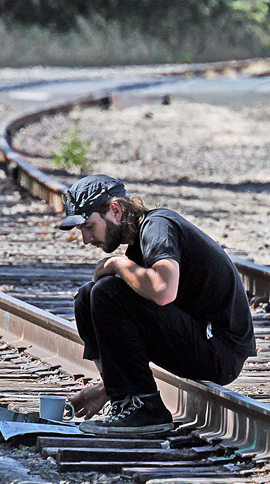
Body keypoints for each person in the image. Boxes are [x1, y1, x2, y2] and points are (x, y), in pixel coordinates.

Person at [59, 175, 256, 435]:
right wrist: (108, 386)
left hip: (220, 350)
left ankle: (146, 409)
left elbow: (163, 290)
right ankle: (125, 401)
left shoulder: (157, 226)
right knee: (88, 295)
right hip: (199, 340)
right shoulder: (137, 244)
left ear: (115, 211)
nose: (85, 238)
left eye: (88, 226)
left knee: (107, 292)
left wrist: (116, 264)